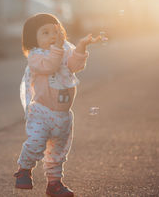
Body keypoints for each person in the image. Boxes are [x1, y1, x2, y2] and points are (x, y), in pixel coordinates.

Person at [14, 13, 102, 197]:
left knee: (58, 152)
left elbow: (75, 66)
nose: (53, 36)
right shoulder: (36, 56)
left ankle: (54, 184)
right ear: (33, 39)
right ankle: (24, 169)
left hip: (62, 115)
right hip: (42, 111)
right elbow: (50, 67)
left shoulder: (64, 50)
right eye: (45, 33)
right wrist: (59, 48)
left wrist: (80, 47)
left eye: (55, 31)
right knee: (36, 143)